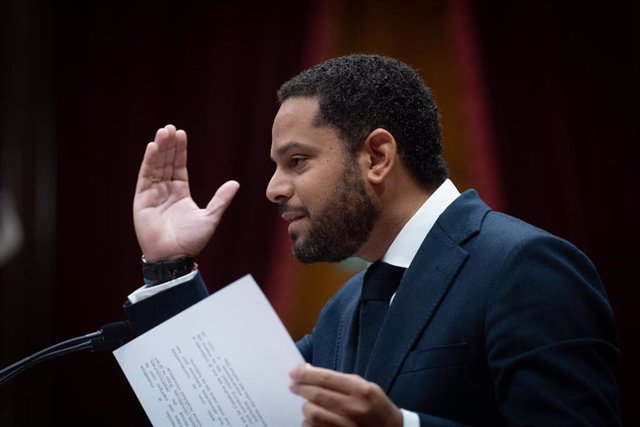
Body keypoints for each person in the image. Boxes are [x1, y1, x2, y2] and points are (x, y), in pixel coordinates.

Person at [123, 54, 621, 426]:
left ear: (377, 156)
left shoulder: (526, 266)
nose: (273, 188)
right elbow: (237, 410)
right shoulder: (345, 308)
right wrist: (170, 268)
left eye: (296, 161)